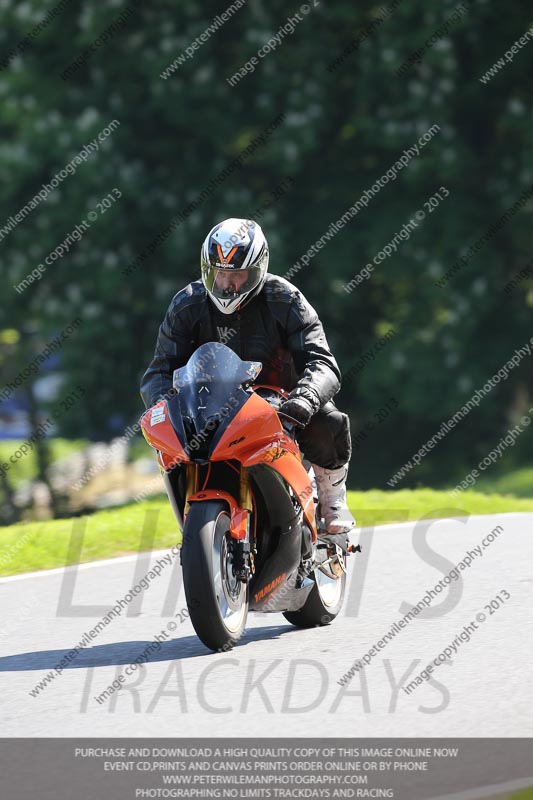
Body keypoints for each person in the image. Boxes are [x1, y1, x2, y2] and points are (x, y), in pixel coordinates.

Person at [140, 218, 355, 534]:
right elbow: (161, 369)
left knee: (328, 418)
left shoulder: (286, 299)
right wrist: (163, 405)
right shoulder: (187, 304)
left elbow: (322, 361)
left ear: (258, 270)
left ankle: (331, 498)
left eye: (237, 275)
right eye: (220, 273)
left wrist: (304, 399)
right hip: (212, 404)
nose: (227, 284)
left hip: (283, 403)